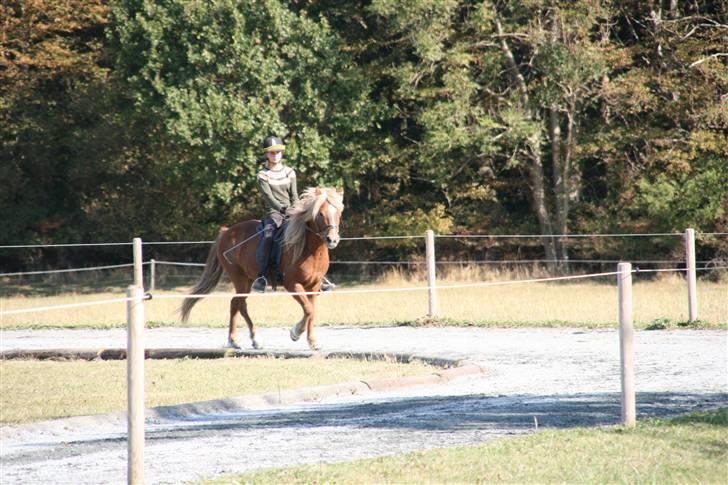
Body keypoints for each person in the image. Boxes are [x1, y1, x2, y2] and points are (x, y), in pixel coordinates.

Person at [252, 135, 335, 293]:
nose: (275, 155)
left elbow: (294, 195)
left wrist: (298, 209)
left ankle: (320, 276)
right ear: (266, 154)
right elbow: (269, 197)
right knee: (269, 237)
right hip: (274, 213)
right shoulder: (262, 175)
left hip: (292, 212)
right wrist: (283, 209)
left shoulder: (290, 172)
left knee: (313, 231)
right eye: (271, 152)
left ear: (282, 153)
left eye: (278, 152)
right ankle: (262, 276)